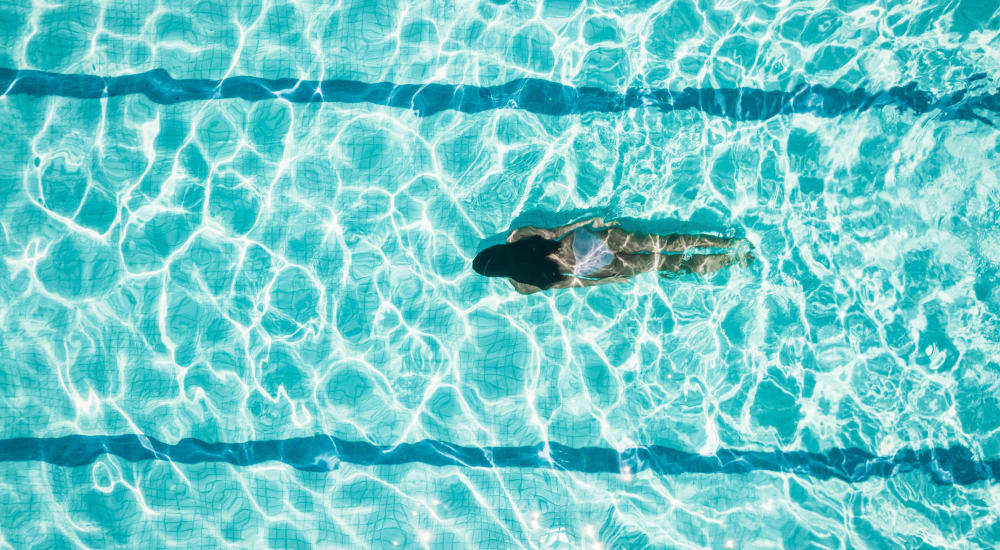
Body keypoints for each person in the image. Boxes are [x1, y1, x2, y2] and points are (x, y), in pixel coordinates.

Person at [472, 217, 754, 294]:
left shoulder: (522, 285)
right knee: (665, 243)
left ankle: (733, 259)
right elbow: (555, 230)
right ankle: (731, 242)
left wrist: (607, 280)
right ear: (495, 250)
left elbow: (570, 282)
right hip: (584, 243)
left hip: (593, 267)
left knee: (664, 263)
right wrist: (589, 224)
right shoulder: (515, 237)